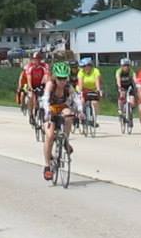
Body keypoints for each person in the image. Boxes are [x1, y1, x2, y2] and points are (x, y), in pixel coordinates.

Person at [39, 46, 77, 181]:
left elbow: (76, 98)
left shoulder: (68, 86)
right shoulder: (51, 84)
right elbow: (45, 98)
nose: (62, 81)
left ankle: (65, 140)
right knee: (49, 136)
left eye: (64, 78)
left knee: (69, 115)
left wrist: (81, 111)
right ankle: (47, 166)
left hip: (61, 108)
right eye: (60, 78)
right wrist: (47, 109)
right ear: (55, 77)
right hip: (50, 109)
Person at [76, 56, 103, 128]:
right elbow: (80, 83)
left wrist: (98, 90)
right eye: (83, 66)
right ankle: (82, 115)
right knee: (82, 101)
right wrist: (81, 92)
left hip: (93, 89)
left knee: (95, 103)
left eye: (86, 66)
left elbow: (97, 81)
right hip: (84, 88)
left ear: (90, 66)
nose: (85, 68)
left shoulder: (95, 71)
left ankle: (94, 118)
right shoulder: (81, 72)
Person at [114, 55, 137, 127]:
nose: (126, 67)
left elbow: (135, 79)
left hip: (130, 87)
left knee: (132, 102)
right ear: (121, 66)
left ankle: (130, 115)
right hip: (122, 86)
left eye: (127, 66)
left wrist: (137, 85)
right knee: (122, 95)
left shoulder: (131, 72)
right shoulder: (119, 71)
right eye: (124, 66)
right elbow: (118, 80)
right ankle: (120, 110)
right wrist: (120, 87)